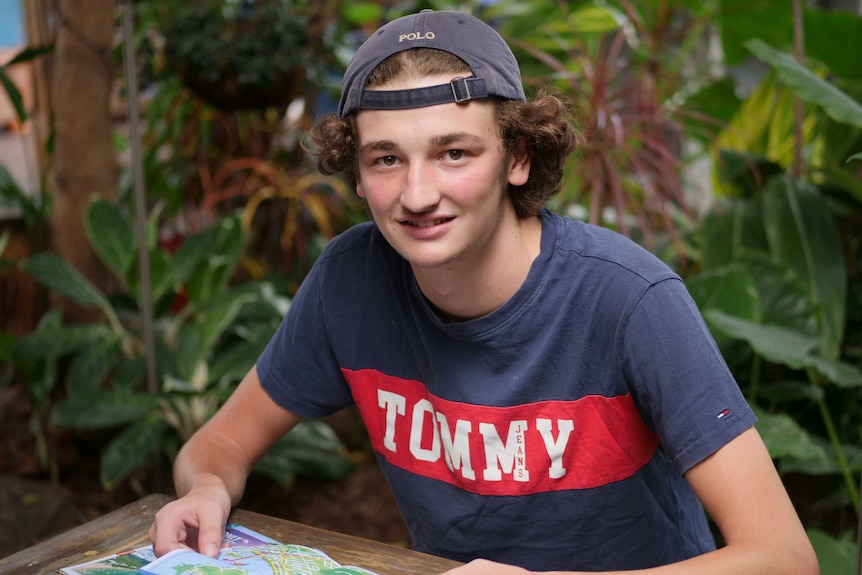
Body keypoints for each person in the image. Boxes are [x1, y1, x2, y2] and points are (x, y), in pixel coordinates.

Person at [149, 10, 819, 574]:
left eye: (454, 153)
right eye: (387, 158)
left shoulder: (628, 298)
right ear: (355, 171)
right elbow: (217, 447)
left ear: (518, 157)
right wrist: (205, 490)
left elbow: (785, 555)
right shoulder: (350, 279)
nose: (417, 194)